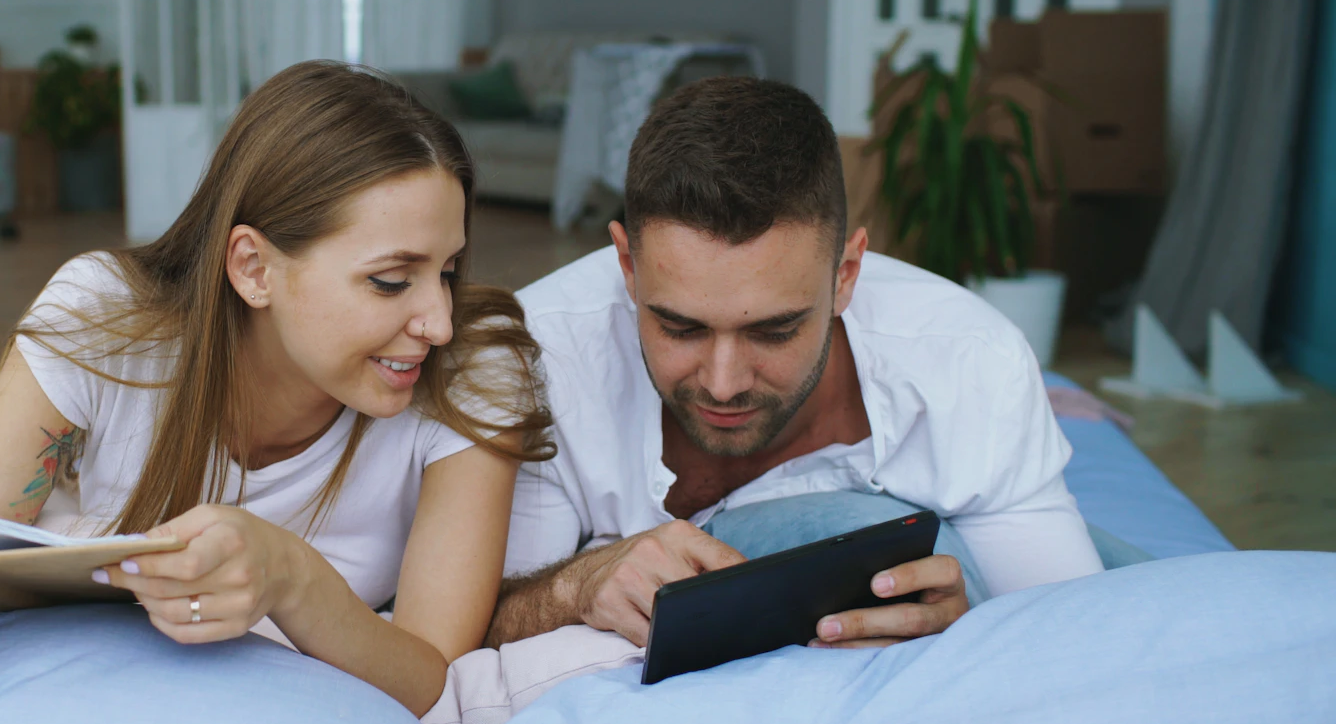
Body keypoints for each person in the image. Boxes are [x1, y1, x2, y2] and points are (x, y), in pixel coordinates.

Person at [0, 61, 551, 716]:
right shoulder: (104, 320)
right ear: (253, 268)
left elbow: (429, 675)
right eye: (390, 280)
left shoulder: (474, 374)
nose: (439, 321)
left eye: (449, 270)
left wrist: (291, 578)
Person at [486, 76, 1142, 651]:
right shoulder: (535, 362)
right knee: (877, 534)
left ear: (847, 275)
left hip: (944, 526)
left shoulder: (969, 361)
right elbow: (466, 626)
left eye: (775, 331)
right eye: (679, 326)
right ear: (627, 267)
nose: (723, 382)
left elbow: (1073, 639)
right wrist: (578, 583)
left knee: (1152, 593)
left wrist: (975, 637)